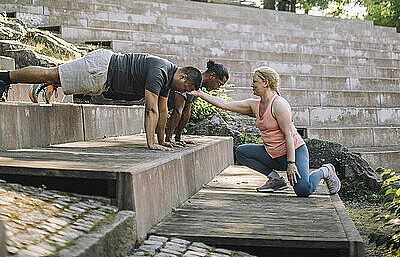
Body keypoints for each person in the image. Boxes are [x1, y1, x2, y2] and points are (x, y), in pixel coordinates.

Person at [0, 49, 202, 152]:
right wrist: (150, 143)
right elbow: (151, 110)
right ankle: (4, 77)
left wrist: (163, 141)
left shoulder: (167, 77)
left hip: (103, 78)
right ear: (183, 77)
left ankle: (15, 80)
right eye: (186, 88)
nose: (183, 92)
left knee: (53, 77)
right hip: (101, 69)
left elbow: (163, 110)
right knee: (50, 75)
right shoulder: (159, 72)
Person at [191, 65, 341, 196]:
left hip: (294, 151)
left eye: (255, 81)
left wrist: (291, 163)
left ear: (266, 83)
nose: (252, 85)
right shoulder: (254, 105)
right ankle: (276, 180)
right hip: (272, 154)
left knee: (303, 190)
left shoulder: (279, 105)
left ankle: (326, 171)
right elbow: (225, 104)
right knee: (242, 151)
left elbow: (288, 135)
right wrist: (200, 94)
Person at [165, 60, 229, 146]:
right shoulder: (191, 80)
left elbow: (186, 112)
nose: (218, 88)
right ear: (212, 76)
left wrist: (178, 138)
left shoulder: (197, 89)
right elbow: (177, 111)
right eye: (219, 84)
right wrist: (168, 139)